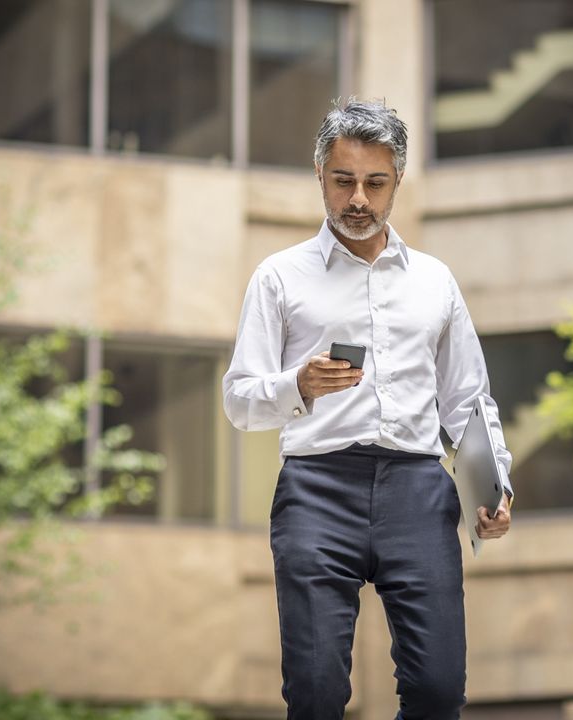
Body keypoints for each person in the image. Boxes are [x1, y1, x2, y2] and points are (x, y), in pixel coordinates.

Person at [222, 98, 513, 720]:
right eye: (344, 180)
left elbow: (467, 399)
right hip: (317, 489)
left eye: (375, 183)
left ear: (396, 183)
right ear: (320, 177)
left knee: (438, 691)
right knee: (316, 691)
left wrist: (495, 487)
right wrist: (299, 384)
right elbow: (239, 400)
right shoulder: (278, 277)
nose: (359, 198)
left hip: (416, 487)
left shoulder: (435, 281)